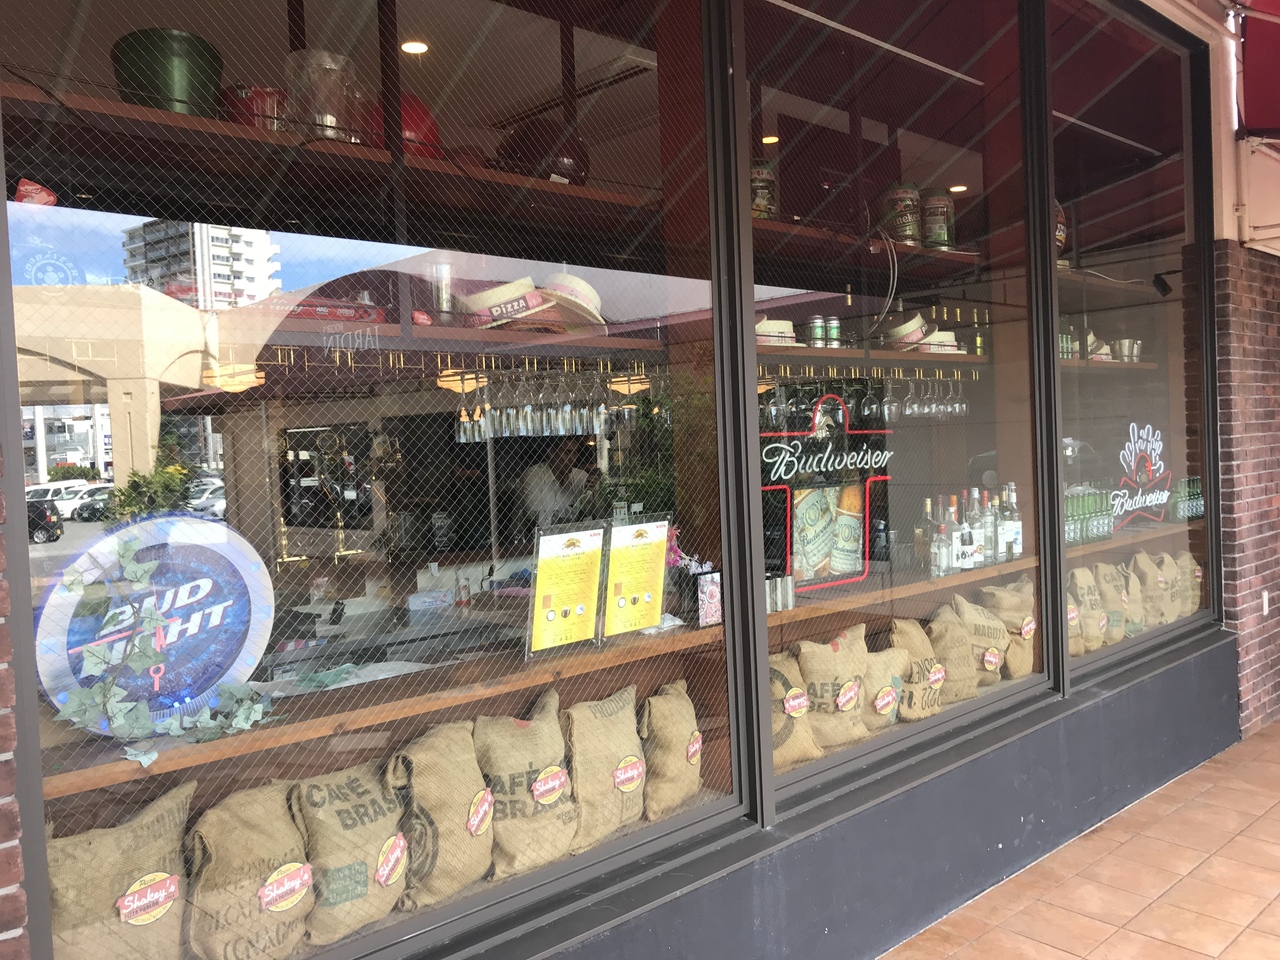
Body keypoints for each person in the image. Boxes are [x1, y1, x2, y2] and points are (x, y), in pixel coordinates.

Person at [521, 437, 599, 530]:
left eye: (575, 453)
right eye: (567, 452)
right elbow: (534, 518)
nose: (572, 459)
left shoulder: (580, 476)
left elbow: (595, 513)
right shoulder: (534, 475)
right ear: (552, 452)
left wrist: (596, 490)